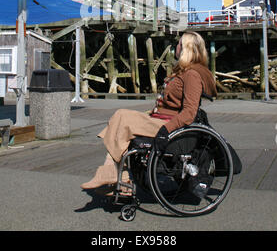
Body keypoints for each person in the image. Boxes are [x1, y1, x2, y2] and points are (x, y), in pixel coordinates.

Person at [80, 31, 217, 192]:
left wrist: (167, 129)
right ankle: (117, 177)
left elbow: (189, 112)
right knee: (120, 119)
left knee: (122, 117)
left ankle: (118, 177)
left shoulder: (192, 74)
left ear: (187, 48)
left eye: (179, 44)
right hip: (159, 118)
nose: (176, 46)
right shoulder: (184, 71)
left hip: (168, 124)